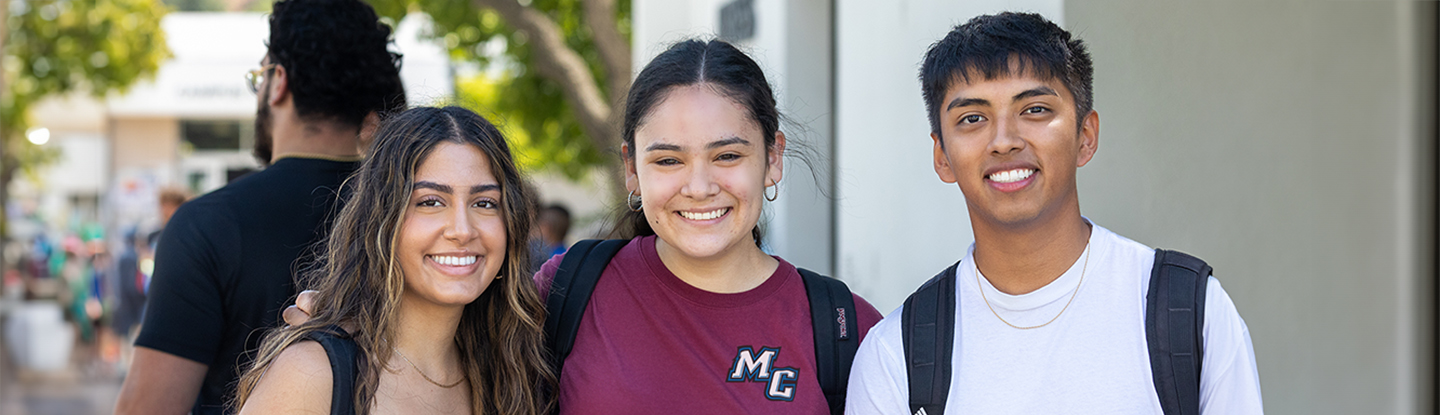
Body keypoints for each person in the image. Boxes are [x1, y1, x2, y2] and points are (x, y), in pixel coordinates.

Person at [290, 39, 884, 413]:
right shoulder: (570, 290)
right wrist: (348, 320)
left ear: (772, 158)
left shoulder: (846, 331)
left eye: (728, 156)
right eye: (667, 159)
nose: (699, 186)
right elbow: (442, 337)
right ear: (631, 168)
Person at [843, 12, 1263, 414]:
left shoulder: (1188, 311)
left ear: (1086, 135)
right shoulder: (895, 353)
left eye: (1035, 110)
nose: (1004, 141)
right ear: (942, 157)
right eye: (972, 118)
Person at [114, 1, 407, 413]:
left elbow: (148, 407)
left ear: (279, 82)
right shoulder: (412, 214)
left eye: (259, 77)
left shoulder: (206, 225)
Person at [234, 106, 552, 415]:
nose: (462, 230)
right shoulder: (315, 373)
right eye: (430, 202)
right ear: (381, 222)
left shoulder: (514, 375)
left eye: (484, 203)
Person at [528, 203, 571, 271]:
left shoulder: (545, 260)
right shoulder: (568, 255)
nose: (533, 230)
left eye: (538, 225)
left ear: (547, 227)